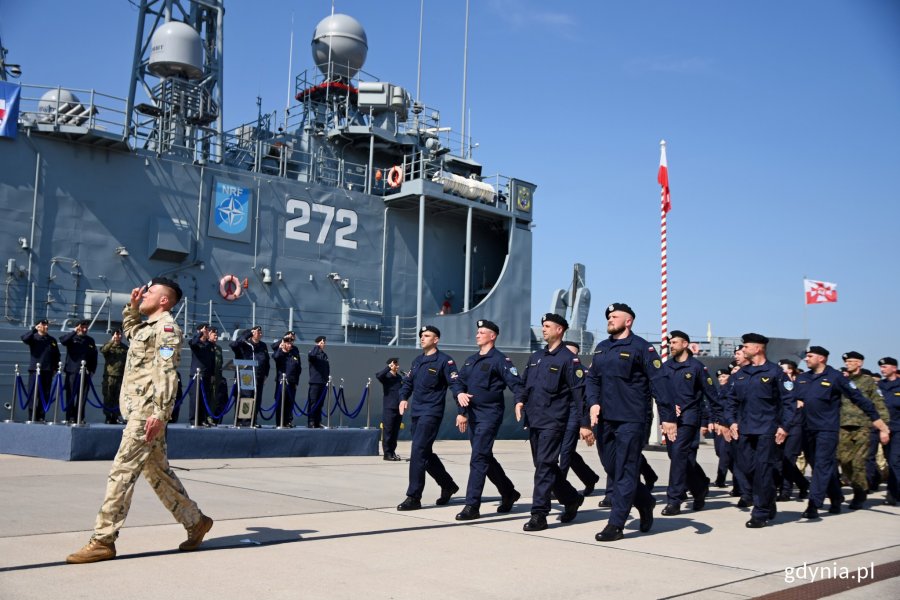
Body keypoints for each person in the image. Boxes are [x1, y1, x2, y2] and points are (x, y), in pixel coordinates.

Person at [66, 278, 212, 564]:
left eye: (150, 292)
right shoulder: (148, 328)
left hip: (147, 413)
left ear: (164, 301)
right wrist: (132, 307)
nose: (143, 294)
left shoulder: (168, 329)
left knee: (122, 471)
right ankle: (195, 522)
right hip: (137, 411)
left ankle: (103, 540)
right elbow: (132, 331)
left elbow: (168, 372)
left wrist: (159, 413)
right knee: (157, 472)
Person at [586, 303, 674, 542]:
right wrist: (593, 402)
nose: (609, 319)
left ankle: (616, 524)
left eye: (614, 316)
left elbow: (659, 382)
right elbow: (592, 379)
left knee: (625, 470)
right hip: (606, 419)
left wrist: (668, 418)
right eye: (608, 316)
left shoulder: (642, 348)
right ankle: (645, 501)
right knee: (612, 467)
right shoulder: (601, 348)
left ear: (629, 321)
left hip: (632, 419)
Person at [793, 346, 889, 520]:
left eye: (810, 356)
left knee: (822, 466)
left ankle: (813, 504)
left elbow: (858, 398)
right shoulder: (802, 378)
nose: (806, 359)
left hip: (827, 430)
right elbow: (789, 398)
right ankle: (836, 497)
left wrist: (877, 420)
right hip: (806, 428)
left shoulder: (836, 377)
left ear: (821, 358)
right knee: (820, 467)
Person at [514, 314, 588, 532]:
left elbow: (579, 394)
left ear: (560, 330)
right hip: (535, 420)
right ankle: (572, 498)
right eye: (542, 326)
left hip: (554, 422)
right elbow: (525, 385)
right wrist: (520, 401)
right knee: (544, 466)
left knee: (544, 467)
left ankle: (539, 514)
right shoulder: (536, 357)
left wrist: (585, 424)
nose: (543, 329)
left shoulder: (568, 359)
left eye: (547, 326)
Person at [722, 333, 795, 528]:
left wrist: (784, 427)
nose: (743, 349)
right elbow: (730, 402)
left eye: (746, 346)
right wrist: (731, 422)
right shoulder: (739, 375)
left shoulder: (776, 373)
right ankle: (769, 499)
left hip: (767, 430)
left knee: (763, 470)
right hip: (745, 430)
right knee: (746, 469)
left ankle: (760, 513)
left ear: (758, 348)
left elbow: (789, 403)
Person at [454, 320, 523, 520]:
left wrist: (519, 402)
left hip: (490, 414)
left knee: (478, 458)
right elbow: (459, 383)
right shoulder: (471, 360)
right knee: (484, 456)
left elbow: (516, 383)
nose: (477, 334)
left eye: (482, 332)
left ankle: (472, 505)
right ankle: (509, 492)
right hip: (473, 415)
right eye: (477, 331)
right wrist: (461, 406)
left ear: (492, 336)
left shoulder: (500, 360)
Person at [396, 325, 463, 511]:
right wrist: (403, 398)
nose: (422, 338)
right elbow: (408, 383)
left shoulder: (445, 361)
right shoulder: (417, 361)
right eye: (421, 335)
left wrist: (461, 410)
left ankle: (413, 497)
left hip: (431, 412)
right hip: (416, 413)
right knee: (424, 453)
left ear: (436, 339)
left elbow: (455, 385)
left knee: (417, 451)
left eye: (427, 335)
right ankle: (448, 485)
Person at [659, 330, 715, 515]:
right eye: (670, 343)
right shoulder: (666, 367)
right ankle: (699, 489)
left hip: (689, 418)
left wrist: (717, 419)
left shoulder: (697, 367)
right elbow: (659, 392)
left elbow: (711, 394)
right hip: (669, 420)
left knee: (678, 455)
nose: (671, 345)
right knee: (679, 457)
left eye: (674, 342)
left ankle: (674, 500)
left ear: (685, 344)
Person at [838, 351, 882, 509]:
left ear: (860, 363)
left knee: (858, 462)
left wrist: (884, 426)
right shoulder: (841, 380)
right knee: (844, 460)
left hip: (863, 426)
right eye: (846, 361)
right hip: (843, 425)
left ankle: (860, 492)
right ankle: (857, 485)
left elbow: (878, 402)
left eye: (851, 361)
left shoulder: (868, 381)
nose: (848, 363)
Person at [559, 341, 601, 497]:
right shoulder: (557, 369)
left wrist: (585, 424)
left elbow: (584, 399)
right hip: (558, 416)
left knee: (565, 452)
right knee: (567, 452)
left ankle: (559, 486)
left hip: (575, 415)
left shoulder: (583, 373)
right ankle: (589, 478)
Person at [776, 359, 808, 501]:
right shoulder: (778, 385)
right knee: (779, 460)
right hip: (780, 426)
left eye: (783, 368)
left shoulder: (801, 384)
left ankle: (785, 491)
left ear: (791, 370)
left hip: (795, 426)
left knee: (788, 459)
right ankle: (803, 483)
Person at [20, 319, 60, 422]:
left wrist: (55, 368)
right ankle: (32, 416)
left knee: (45, 395)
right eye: (44, 325)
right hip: (35, 371)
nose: (46, 327)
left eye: (47, 325)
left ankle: (41, 416)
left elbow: (56, 355)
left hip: (48, 371)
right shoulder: (33, 338)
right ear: (38, 326)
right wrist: (34, 330)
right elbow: (24, 339)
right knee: (33, 394)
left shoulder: (52, 340)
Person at [59, 320, 98, 424]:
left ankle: (79, 417)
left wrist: (92, 370)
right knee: (71, 395)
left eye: (86, 328)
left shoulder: (90, 341)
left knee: (83, 396)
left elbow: (94, 356)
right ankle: (70, 417)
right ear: (78, 328)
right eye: (82, 327)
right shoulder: (72, 338)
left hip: (85, 373)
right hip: (72, 371)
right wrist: (74, 331)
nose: (85, 330)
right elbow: (63, 341)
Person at [230, 325, 270, 426]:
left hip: (259, 376)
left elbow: (267, 361)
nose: (259, 334)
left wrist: (266, 374)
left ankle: (252, 420)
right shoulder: (245, 344)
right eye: (257, 332)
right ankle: (243, 421)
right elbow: (234, 345)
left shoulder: (263, 346)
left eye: (260, 332)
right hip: (246, 375)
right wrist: (248, 333)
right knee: (246, 398)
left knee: (256, 398)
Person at [876, 357, 898, 505]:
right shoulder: (879, 386)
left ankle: (893, 493)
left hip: (898, 428)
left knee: (895, 461)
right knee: (890, 460)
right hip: (884, 428)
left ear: (894, 368)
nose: (882, 369)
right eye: (881, 367)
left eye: (885, 367)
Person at [376, 357, 404, 460]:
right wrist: (388, 367)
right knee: (388, 431)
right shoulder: (386, 377)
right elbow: (378, 376)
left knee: (395, 432)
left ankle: (392, 452)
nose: (397, 366)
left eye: (397, 364)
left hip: (398, 408)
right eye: (395, 364)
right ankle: (387, 454)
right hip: (389, 407)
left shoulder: (399, 378)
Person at [99, 329, 128, 424]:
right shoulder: (109, 346)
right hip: (109, 376)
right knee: (108, 396)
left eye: (120, 334)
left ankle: (115, 416)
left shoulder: (124, 348)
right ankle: (108, 416)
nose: (119, 336)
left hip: (120, 376)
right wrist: (112, 341)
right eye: (117, 334)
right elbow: (103, 350)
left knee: (118, 397)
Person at [188, 324, 214, 426]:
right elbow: (192, 343)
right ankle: (194, 420)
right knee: (195, 398)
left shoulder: (209, 345)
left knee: (204, 398)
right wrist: (200, 333)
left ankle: (202, 419)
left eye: (207, 330)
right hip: (196, 375)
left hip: (206, 375)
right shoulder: (195, 343)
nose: (207, 331)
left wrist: (212, 374)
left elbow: (212, 361)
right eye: (205, 329)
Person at [273, 335, 302, 427]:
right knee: (280, 403)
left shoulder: (294, 353)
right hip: (282, 382)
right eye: (288, 343)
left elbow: (298, 369)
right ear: (284, 343)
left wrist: (296, 382)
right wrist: (281, 349)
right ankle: (280, 423)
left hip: (292, 382)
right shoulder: (280, 353)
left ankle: (287, 422)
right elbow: (276, 357)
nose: (290, 345)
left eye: (291, 343)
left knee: (290, 403)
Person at [307, 335, 330, 428]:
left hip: (323, 382)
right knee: (313, 402)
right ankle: (311, 421)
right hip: (315, 382)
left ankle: (317, 421)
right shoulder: (313, 352)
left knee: (320, 403)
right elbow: (311, 356)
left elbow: (327, 368)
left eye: (324, 342)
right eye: (321, 342)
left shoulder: (324, 355)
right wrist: (317, 346)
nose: (323, 344)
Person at [206, 327, 228, 425]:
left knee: (215, 398)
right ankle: (206, 417)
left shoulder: (219, 348)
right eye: (214, 335)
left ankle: (211, 417)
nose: (216, 336)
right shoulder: (206, 346)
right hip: (208, 376)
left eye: (217, 335)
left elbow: (220, 362)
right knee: (207, 397)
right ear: (209, 334)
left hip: (218, 376)